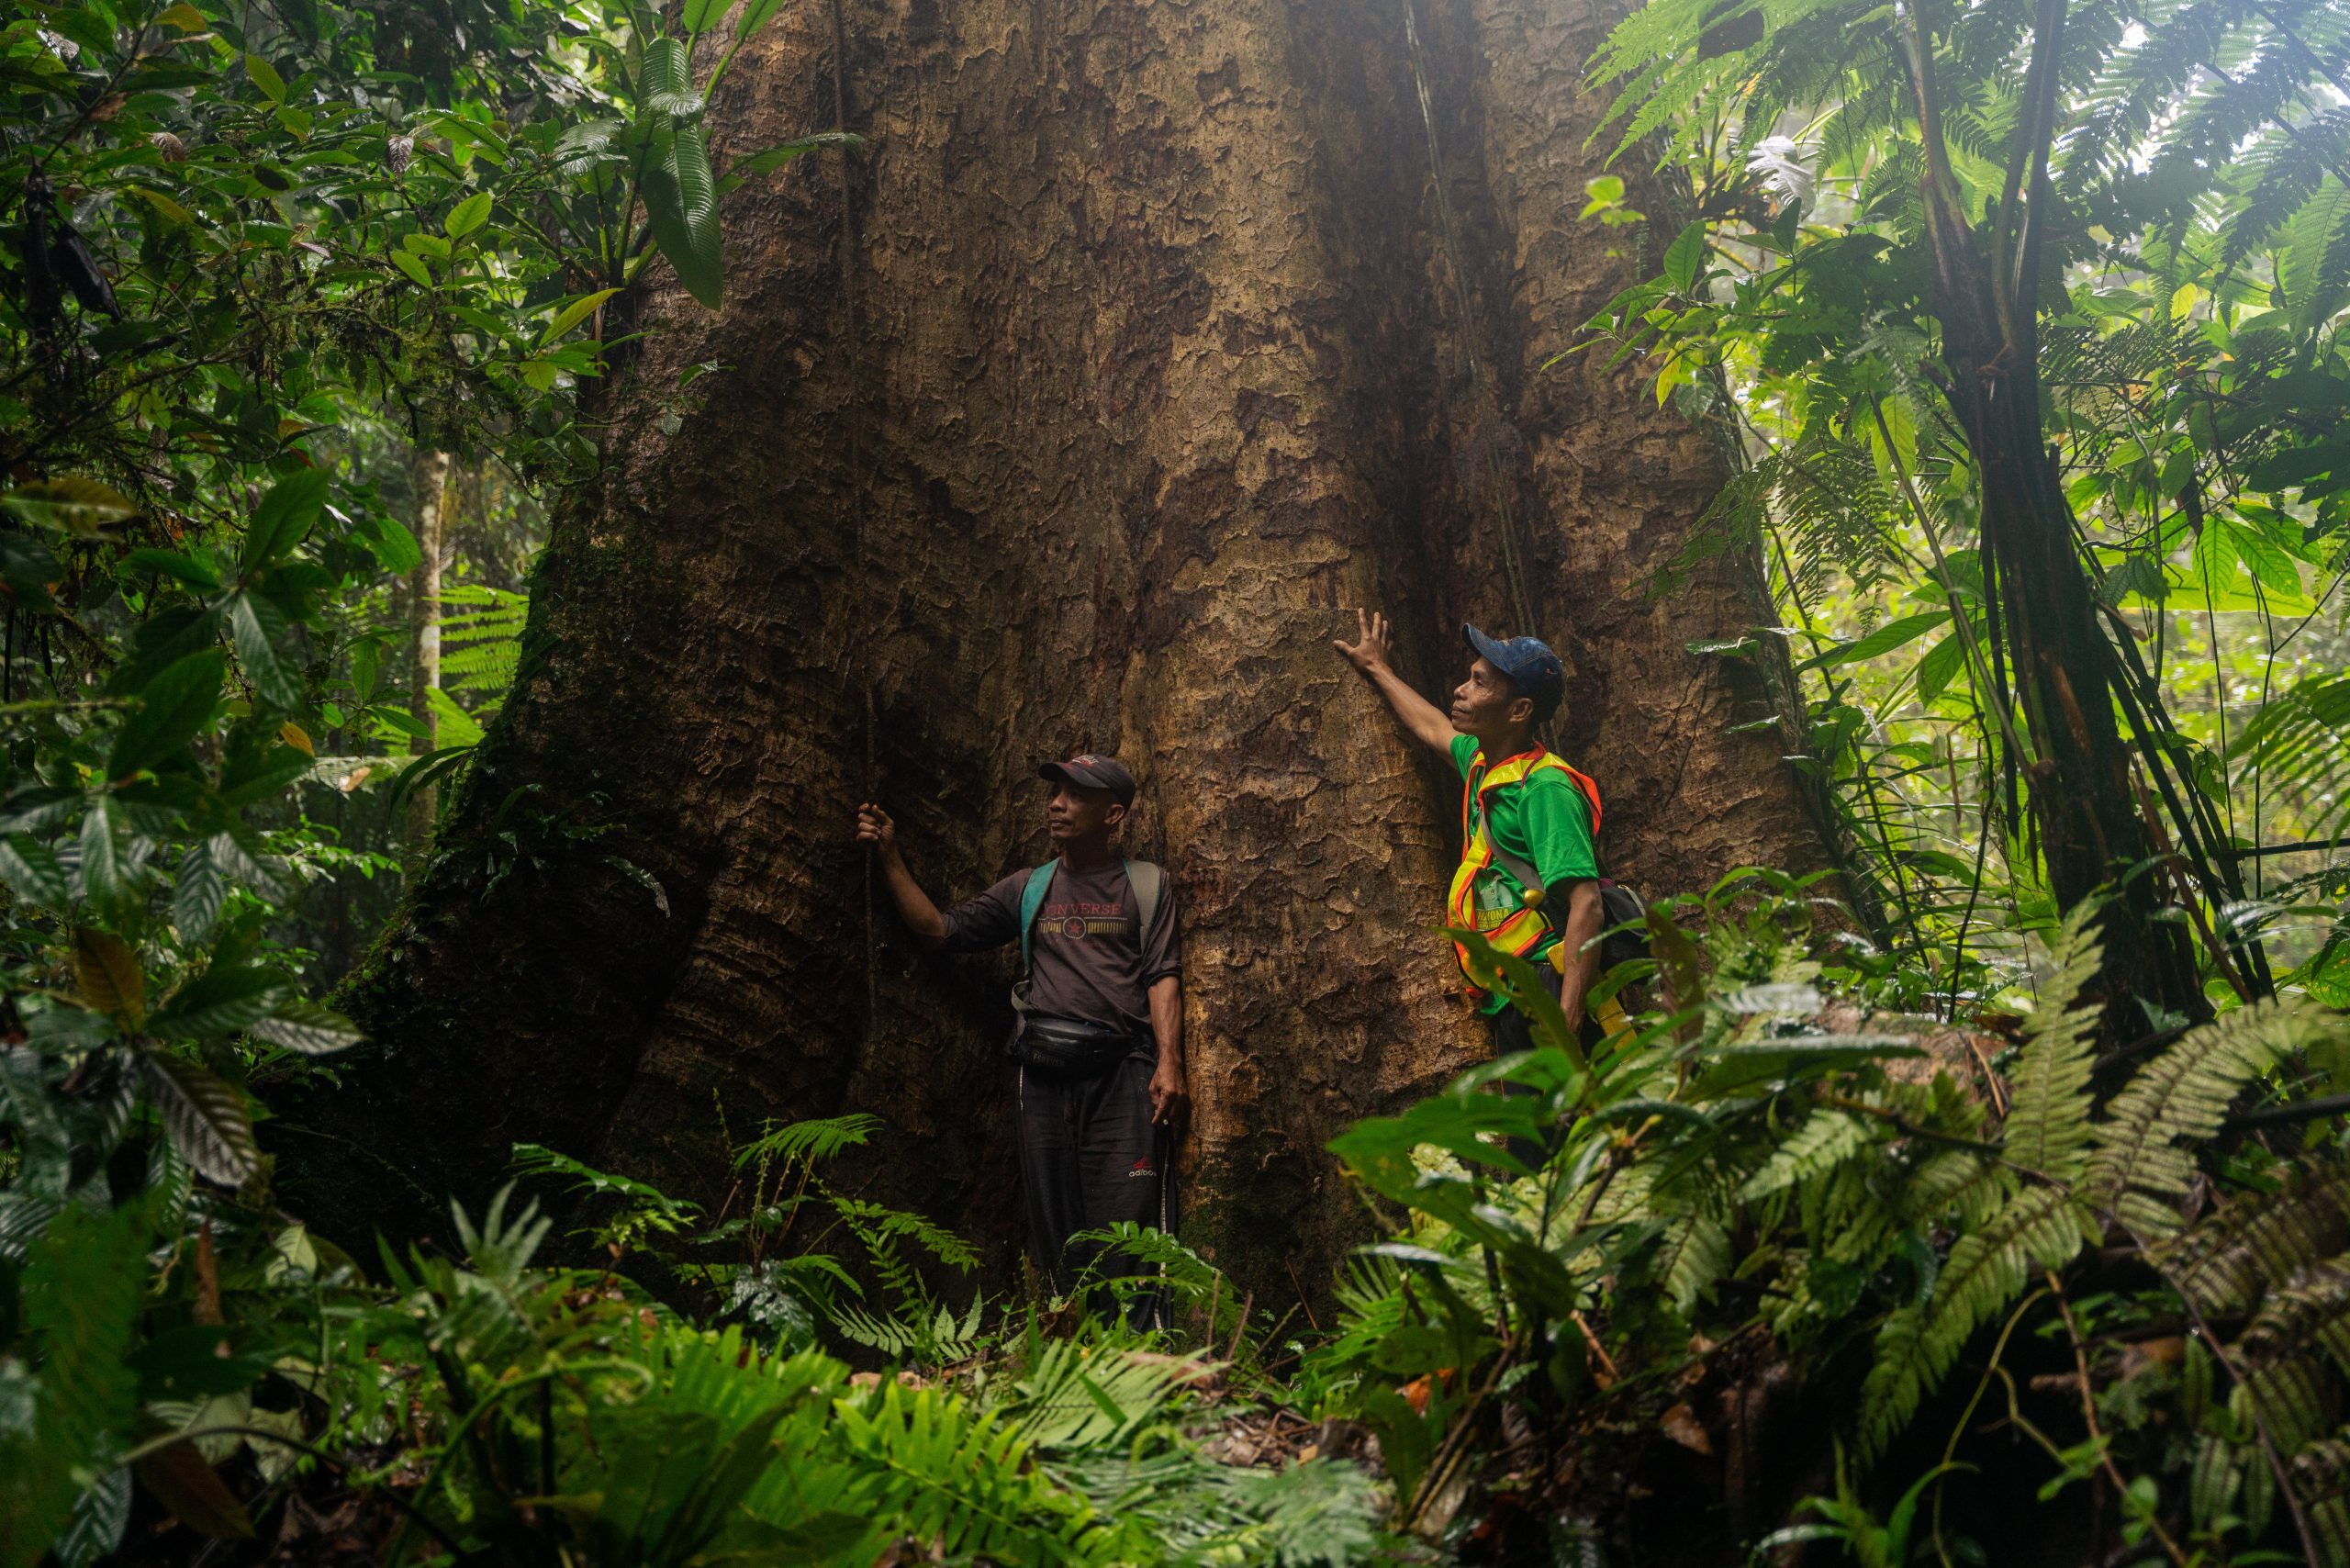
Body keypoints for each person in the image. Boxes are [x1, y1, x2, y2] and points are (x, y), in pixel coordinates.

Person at [856, 755, 1185, 1326]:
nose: (1057, 804)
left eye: (1074, 795)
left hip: (1124, 1075)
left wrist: (1169, 1063)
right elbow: (941, 932)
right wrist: (890, 858)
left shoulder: (1147, 885)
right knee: (1058, 1222)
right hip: (1045, 1076)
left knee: (1130, 1221)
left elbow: (1162, 975)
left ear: (1113, 814)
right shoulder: (1029, 888)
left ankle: (1142, 1345)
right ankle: (1078, 1341)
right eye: (1055, 793)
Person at [1334, 610, 1617, 1062]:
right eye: (1470, 678)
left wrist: (1568, 1015)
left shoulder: (1543, 788)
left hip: (1548, 981)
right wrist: (1376, 668)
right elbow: (1431, 727)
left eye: (1480, 683)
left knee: (1559, 1129)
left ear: (1519, 711)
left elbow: (1587, 903)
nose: (1461, 691)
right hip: (1511, 990)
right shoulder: (1485, 765)